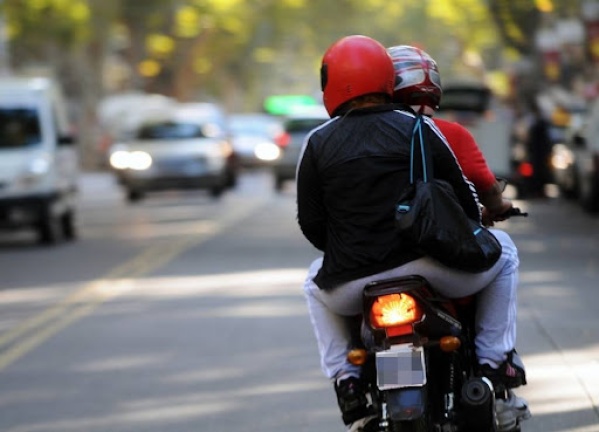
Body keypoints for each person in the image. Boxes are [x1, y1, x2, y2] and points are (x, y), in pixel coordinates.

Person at [297, 35, 528, 432]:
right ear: (386, 78)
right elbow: (466, 204)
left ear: (329, 84)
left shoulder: (316, 142)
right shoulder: (419, 127)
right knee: (504, 252)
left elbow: (312, 224)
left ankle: (347, 380)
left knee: (312, 283)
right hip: (433, 268)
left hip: (353, 282)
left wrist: (349, 251)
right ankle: (493, 363)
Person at [386, 43, 531, 428]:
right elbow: (480, 189)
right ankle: (493, 364)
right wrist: (495, 207)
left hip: (372, 268)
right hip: (444, 265)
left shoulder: (352, 138)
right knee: (504, 253)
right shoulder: (446, 133)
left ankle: (354, 385)